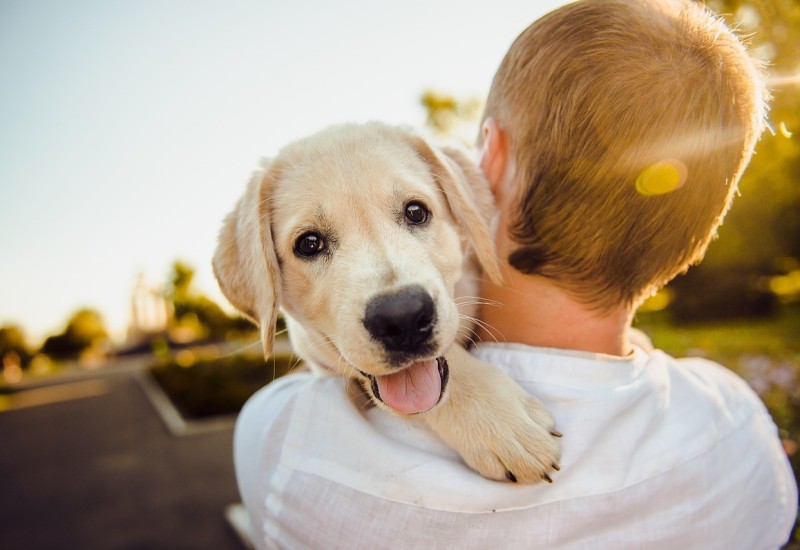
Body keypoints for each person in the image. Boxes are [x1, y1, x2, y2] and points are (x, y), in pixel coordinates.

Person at [233, 0, 798, 547]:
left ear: (489, 163)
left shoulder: (285, 443)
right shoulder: (739, 426)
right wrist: (457, 388)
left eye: (414, 213)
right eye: (312, 244)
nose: (396, 297)